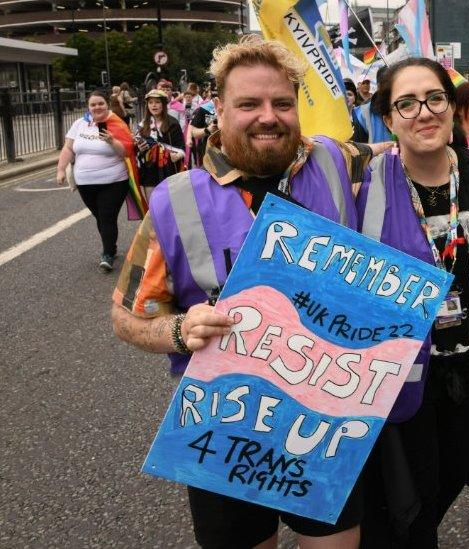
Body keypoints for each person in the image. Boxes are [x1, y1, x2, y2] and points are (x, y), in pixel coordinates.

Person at [110, 35, 374, 549]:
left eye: (281, 103)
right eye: (248, 104)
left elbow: (409, 149)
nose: (267, 117)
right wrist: (180, 331)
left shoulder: (334, 162)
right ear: (220, 110)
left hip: (327, 423)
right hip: (223, 427)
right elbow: (126, 317)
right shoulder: (175, 200)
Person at [356, 57, 469, 547]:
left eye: (433, 98)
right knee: (407, 496)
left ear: (451, 107)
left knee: (449, 474)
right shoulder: (364, 185)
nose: (422, 112)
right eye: (405, 103)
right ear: (388, 118)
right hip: (401, 373)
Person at [56, 90, 139, 272]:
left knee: (107, 216)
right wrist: (61, 169)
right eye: (93, 104)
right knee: (100, 218)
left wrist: (112, 141)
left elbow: (126, 151)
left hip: (114, 181)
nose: (97, 107)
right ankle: (111, 246)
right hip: (86, 183)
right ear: (88, 107)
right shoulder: (80, 124)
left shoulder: (116, 123)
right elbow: (69, 148)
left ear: (107, 104)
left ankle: (107, 254)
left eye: (100, 103)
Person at [135, 89, 185, 190]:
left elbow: (181, 148)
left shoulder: (173, 124)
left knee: (168, 203)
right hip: (149, 170)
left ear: (163, 104)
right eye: (151, 102)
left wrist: (178, 155)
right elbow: (136, 150)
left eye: (157, 102)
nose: (154, 105)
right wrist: (139, 148)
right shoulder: (142, 125)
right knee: (152, 203)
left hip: (168, 170)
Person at [352, 67, 393, 143]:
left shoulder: (407, 108)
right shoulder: (361, 114)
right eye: (363, 83)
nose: (366, 85)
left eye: (367, 83)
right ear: (379, 85)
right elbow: (360, 149)